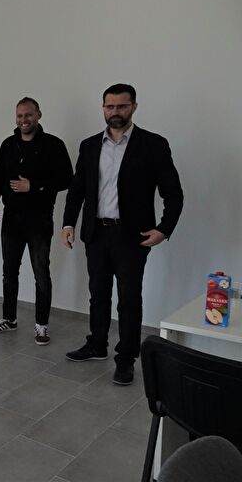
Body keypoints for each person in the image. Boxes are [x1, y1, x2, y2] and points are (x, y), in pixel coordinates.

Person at [61, 84, 183, 385]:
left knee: (129, 299)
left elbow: (173, 193)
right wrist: (68, 224)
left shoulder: (153, 144)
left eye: (122, 106)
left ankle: (126, 358)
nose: (115, 112)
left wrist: (164, 229)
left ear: (134, 107)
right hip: (96, 233)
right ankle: (97, 344)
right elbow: (77, 190)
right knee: (98, 294)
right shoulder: (89, 146)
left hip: (132, 236)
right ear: (103, 108)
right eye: (110, 106)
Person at [0, 97, 73, 345]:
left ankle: (41, 325)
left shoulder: (53, 144)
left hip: (39, 220)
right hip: (11, 219)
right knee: (9, 272)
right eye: (20, 116)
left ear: (38, 115)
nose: (24, 120)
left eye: (28, 115)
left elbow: (67, 179)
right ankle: (9, 318)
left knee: (41, 273)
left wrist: (33, 186)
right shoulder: (8, 144)